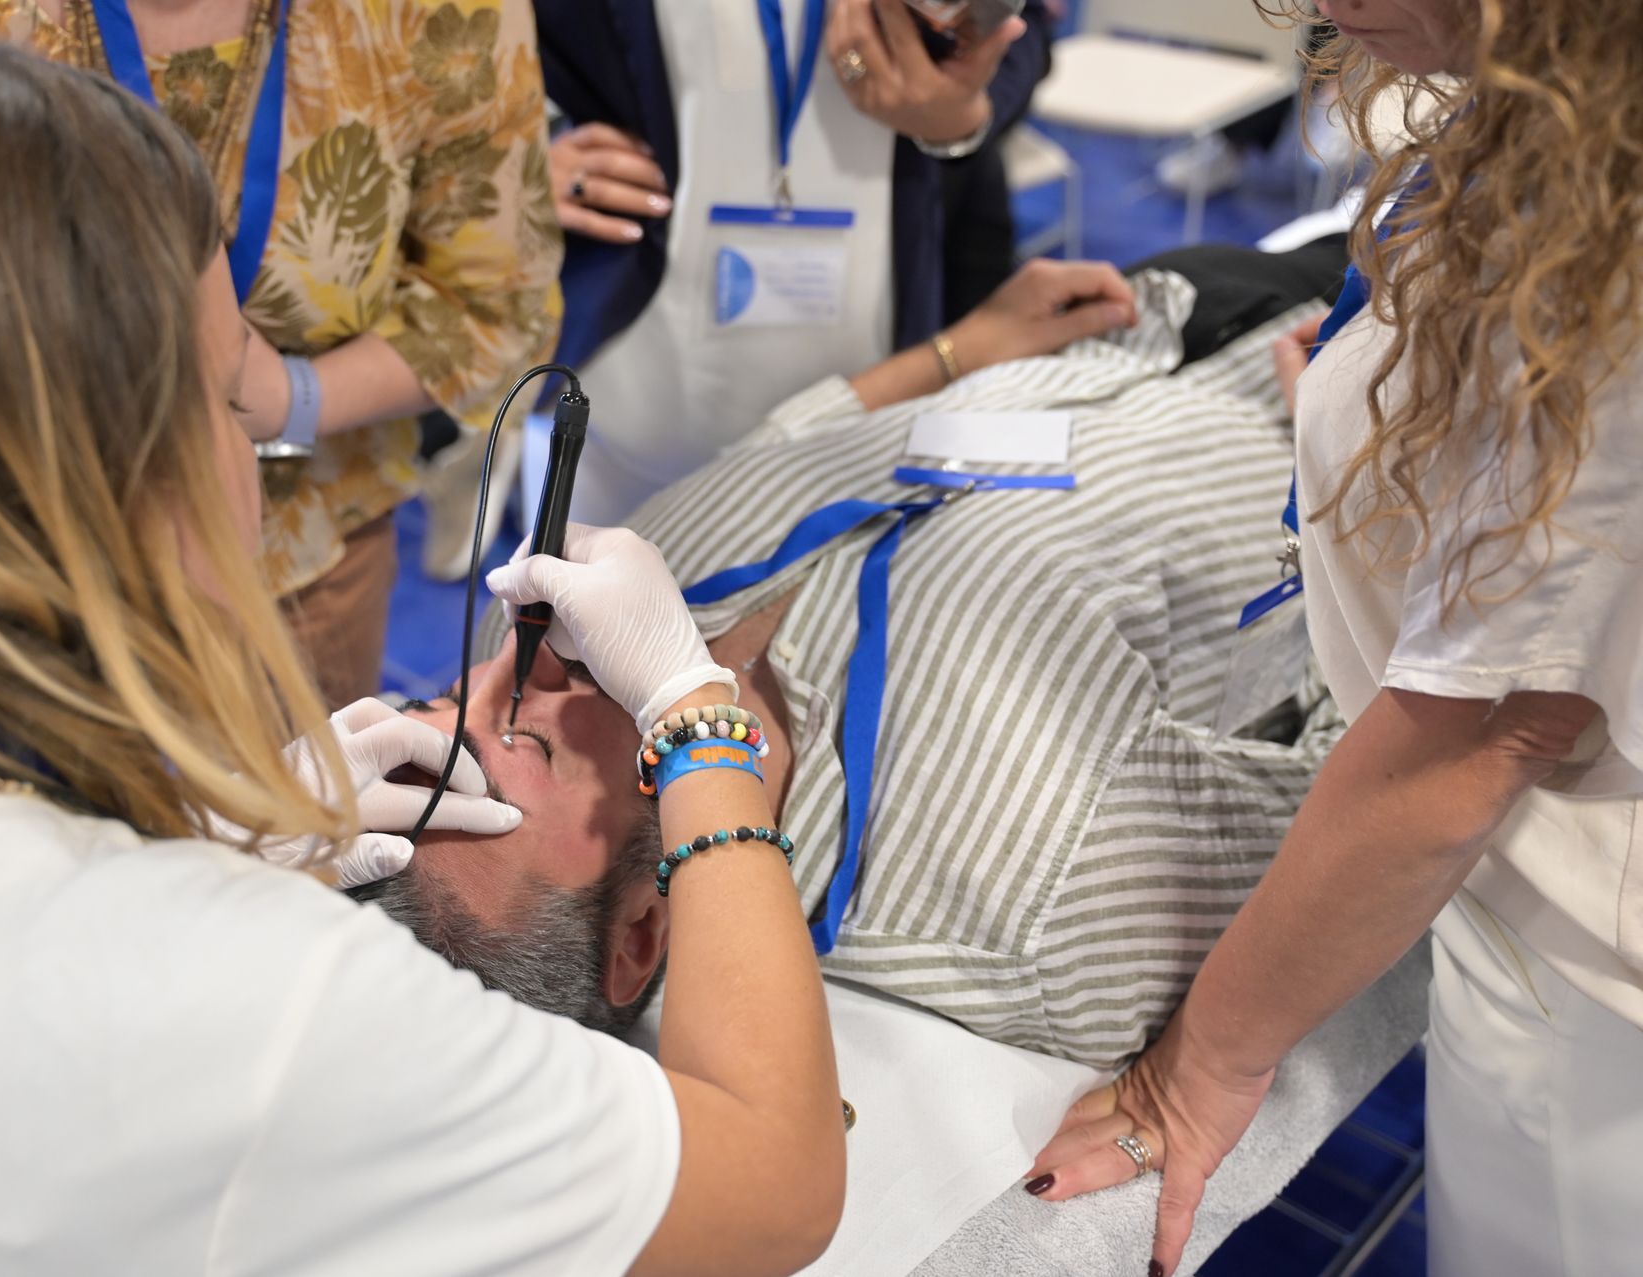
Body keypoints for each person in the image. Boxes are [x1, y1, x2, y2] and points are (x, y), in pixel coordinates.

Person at [0, 27, 845, 1275]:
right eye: (226, 397)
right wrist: (691, 713)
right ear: (103, 482)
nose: (497, 685)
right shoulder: (263, 1006)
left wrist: (186, 847)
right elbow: (775, 1180)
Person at [354, 250, 1356, 1067]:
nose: (508, 663)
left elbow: (778, 448)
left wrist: (956, 349)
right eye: (526, 742)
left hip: (1146, 313)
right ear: (643, 931)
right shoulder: (1032, 915)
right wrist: (1363, 500)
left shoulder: (550, 627)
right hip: (1360, 417)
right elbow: (1351, 769)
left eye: (437, 697)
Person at [1028, 4, 1643, 1276]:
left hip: (1587, 995)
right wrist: (1378, 405)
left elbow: (1475, 743)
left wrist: (1199, 1069)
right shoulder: (1551, 120)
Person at [0, 0, 564, 707]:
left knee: (288, 822)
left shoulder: (426, 18)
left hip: (297, 557)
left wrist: (287, 396)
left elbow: (500, 301)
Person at [511, 0, 1057, 528]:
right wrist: (509, 161)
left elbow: (1021, 25)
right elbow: (477, 38)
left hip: (875, 371)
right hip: (624, 383)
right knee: (590, 573)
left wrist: (963, 113)